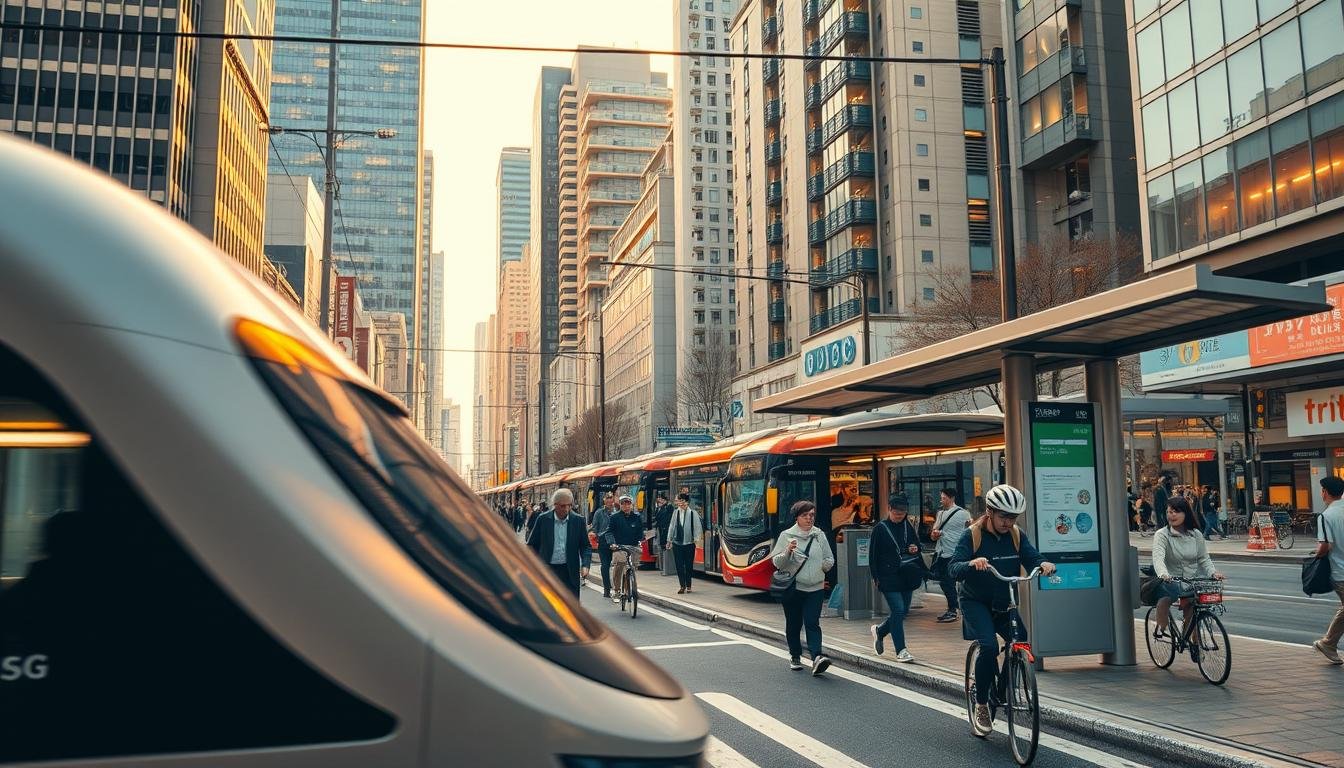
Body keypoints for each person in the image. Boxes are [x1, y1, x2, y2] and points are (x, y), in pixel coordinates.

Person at [949, 484, 1056, 735]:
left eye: (1013, 517)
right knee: (988, 646)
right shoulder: (972, 535)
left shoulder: (1017, 535)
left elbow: (1031, 557)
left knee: (1021, 640)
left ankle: (1004, 686)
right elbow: (952, 568)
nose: (1008, 522)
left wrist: (1044, 564)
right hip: (975, 601)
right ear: (989, 512)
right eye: (1003, 516)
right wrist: (971, 563)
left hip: (1004, 601)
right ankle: (983, 703)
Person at [770, 500, 835, 675]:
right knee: (794, 623)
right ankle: (795, 655)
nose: (809, 518)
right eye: (805, 515)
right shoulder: (787, 535)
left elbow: (830, 558)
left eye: (812, 515)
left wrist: (821, 569)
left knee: (812, 622)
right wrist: (788, 552)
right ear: (797, 517)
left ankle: (817, 657)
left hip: (815, 588)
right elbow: (777, 563)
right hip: (793, 588)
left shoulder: (819, 535)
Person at [1150, 496, 1225, 646]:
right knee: (1165, 599)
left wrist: (1213, 573)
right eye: (1169, 512)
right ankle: (1161, 627)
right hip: (1170, 579)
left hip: (1191, 580)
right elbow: (1158, 558)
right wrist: (1164, 575)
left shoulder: (1196, 534)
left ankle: (1194, 643)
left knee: (1193, 608)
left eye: (1176, 512)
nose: (1172, 515)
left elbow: (1204, 558)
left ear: (1186, 514)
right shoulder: (1162, 535)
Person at [869, 493, 923, 663]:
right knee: (898, 610)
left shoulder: (907, 526)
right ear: (889, 509)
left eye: (903, 513)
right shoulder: (880, 528)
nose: (900, 516)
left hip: (906, 574)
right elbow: (872, 555)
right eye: (897, 513)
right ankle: (901, 650)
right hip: (887, 576)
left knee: (903, 612)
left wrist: (915, 548)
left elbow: (916, 546)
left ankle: (880, 631)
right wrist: (875, 576)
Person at [525, 488, 591, 599]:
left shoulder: (578, 520)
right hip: (548, 569)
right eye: (562, 506)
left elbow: (585, 546)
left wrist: (585, 565)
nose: (566, 509)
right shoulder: (543, 519)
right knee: (549, 604)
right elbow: (531, 545)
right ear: (555, 505)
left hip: (569, 571)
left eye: (569, 505)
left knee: (571, 606)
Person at [1311, 475, 1344, 665]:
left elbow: (1325, 546)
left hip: (1339, 571)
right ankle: (1328, 643)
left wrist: (1315, 555)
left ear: (1325, 492)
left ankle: (1328, 643)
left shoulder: (1327, 516)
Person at [929, 487, 971, 623]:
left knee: (948, 582)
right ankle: (954, 608)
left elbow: (972, 527)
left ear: (952, 498)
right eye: (941, 498)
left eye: (944, 498)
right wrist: (935, 534)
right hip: (942, 551)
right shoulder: (940, 514)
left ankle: (954, 610)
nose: (942, 501)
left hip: (954, 552)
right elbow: (933, 534)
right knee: (945, 581)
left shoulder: (963, 513)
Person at [606, 494, 645, 604]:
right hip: (619, 546)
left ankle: (631, 586)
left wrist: (642, 538)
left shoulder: (637, 517)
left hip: (633, 546)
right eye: (623, 504)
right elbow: (609, 532)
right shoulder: (614, 517)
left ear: (631, 505)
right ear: (620, 505)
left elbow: (640, 532)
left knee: (632, 567)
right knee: (620, 563)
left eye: (628, 504)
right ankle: (617, 590)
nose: (626, 506)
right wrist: (612, 543)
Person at [665, 492, 704, 594]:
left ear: (687, 502)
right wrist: (669, 540)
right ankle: (682, 586)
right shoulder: (675, 513)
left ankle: (689, 585)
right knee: (679, 565)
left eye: (682, 501)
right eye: (679, 501)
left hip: (689, 543)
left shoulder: (693, 513)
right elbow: (672, 526)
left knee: (688, 565)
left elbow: (697, 527)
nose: (680, 503)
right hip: (677, 543)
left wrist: (696, 539)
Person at [591, 492, 616, 598]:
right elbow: (595, 527)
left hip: (616, 542)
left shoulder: (617, 512)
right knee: (605, 565)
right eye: (607, 498)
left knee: (620, 564)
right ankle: (607, 588)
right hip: (604, 542)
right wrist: (593, 533)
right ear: (604, 500)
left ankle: (619, 586)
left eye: (611, 498)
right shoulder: (599, 512)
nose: (610, 500)